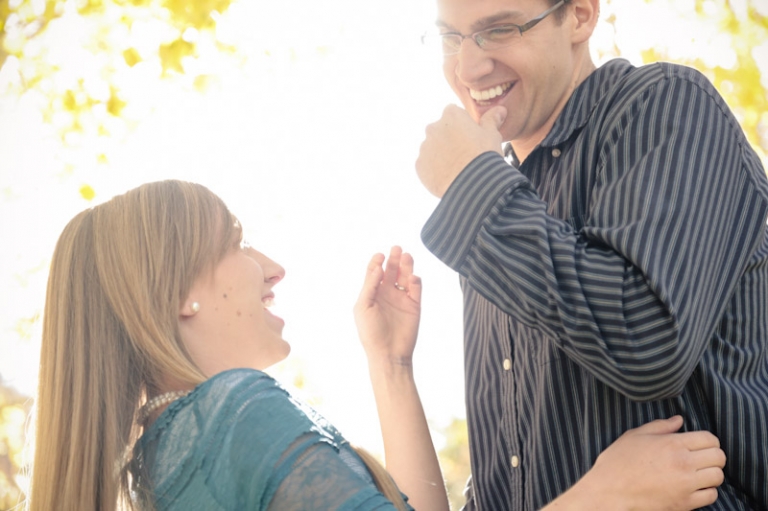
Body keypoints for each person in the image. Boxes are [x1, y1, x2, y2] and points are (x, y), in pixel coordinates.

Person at [27, 180, 724, 511]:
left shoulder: (162, 462)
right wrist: (606, 493)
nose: (270, 266)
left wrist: (390, 366)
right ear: (182, 291)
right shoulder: (236, 414)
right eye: (236, 243)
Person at [415, 0, 768, 509]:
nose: (468, 67)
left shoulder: (664, 106)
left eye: (500, 30)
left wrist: (472, 189)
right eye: (452, 38)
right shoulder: (500, 205)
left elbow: (649, 339)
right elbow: (506, 483)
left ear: (580, 15)